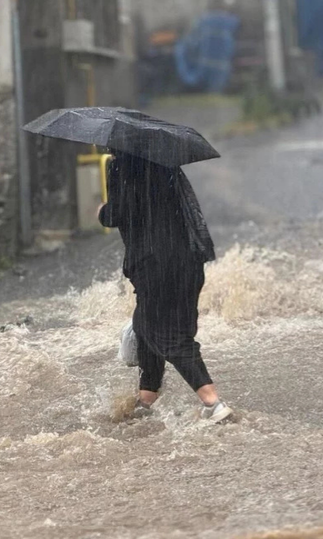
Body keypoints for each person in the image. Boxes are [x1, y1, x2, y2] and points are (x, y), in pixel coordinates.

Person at [98, 152, 233, 423]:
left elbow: (119, 212)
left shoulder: (120, 165)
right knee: (145, 325)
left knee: (164, 333)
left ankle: (213, 402)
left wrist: (102, 211)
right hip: (189, 261)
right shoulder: (166, 162)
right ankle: (146, 399)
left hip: (155, 265)